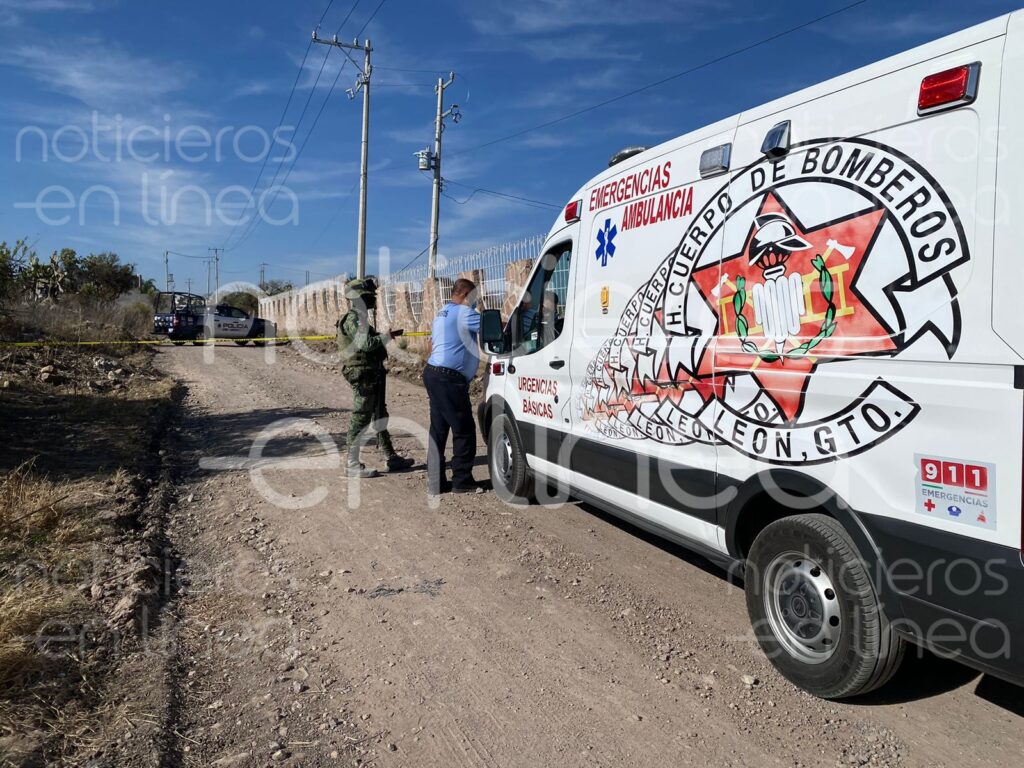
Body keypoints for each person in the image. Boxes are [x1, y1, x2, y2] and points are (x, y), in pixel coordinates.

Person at [337, 277, 415, 479]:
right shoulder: (353, 319)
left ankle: (391, 457)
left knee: (379, 416)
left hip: (372, 373)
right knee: (361, 417)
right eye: (369, 296)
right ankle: (352, 463)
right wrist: (385, 336)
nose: (372, 300)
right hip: (362, 375)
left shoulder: (361, 318)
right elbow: (366, 344)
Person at [424, 278, 483, 495]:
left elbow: (430, 344)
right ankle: (462, 480)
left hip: (433, 373)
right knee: (464, 429)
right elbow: (494, 328)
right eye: (475, 297)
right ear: (467, 294)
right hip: (449, 379)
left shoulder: (442, 313)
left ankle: (435, 482)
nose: (476, 302)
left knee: (438, 430)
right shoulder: (464, 313)